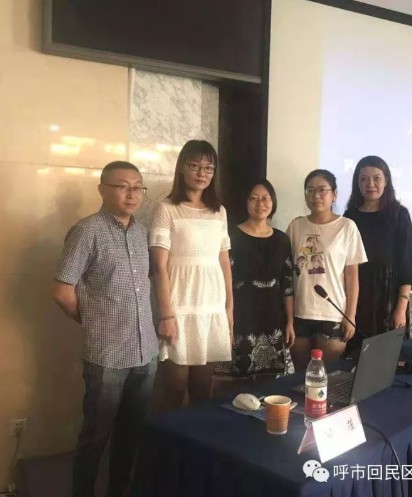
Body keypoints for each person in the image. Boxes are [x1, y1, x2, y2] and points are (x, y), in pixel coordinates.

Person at [53, 161, 158, 497]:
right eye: (123, 186)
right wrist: (94, 320)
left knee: (132, 433)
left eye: (138, 187)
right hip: (107, 355)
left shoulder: (141, 232)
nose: (132, 194)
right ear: (102, 190)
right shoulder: (87, 231)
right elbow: (63, 291)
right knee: (95, 437)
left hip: (145, 351)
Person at [149, 139, 233, 410]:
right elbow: (159, 267)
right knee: (174, 388)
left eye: (209, 168)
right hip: (179, 307)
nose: (202, 173)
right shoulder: (166, 209)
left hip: (211, 308)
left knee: (202, 388)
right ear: (182, 168)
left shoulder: (219, 212)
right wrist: (167, 316)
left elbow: (224, 263)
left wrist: (229, 310)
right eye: (195, 166)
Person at [287, 169, 367, 371]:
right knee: (300, 378)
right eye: (310, 190)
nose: (316, 195)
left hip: (333, 314)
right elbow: (287, 272)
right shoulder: (296, 227)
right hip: (300, 312)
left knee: (327, 378)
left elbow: (352, 277)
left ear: (334, 194)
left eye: (322, 190)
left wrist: (350, 316)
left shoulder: (347, 227)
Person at [217, 179, 295, 378]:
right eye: (254, 198)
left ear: (273, 202)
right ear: (246, 202)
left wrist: (290, 322)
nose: (260, 204)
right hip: (239, 315)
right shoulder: (230, 236)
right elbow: (221, 280)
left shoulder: (282, 240)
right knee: (232, 381)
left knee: (268, 382)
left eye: (266, 198)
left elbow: (287, 285)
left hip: (273, 318)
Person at [344, 155, 412, 352]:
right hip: (357, 297)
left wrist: (401, 308)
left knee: (386, 359)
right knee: (355, 356)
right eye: (364, 179)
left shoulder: (399, 214)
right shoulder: (350, 217)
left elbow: (406, 264)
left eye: (377, 178)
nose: (371, 184)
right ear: (357, 183)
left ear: (386, 181)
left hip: (388, 298)